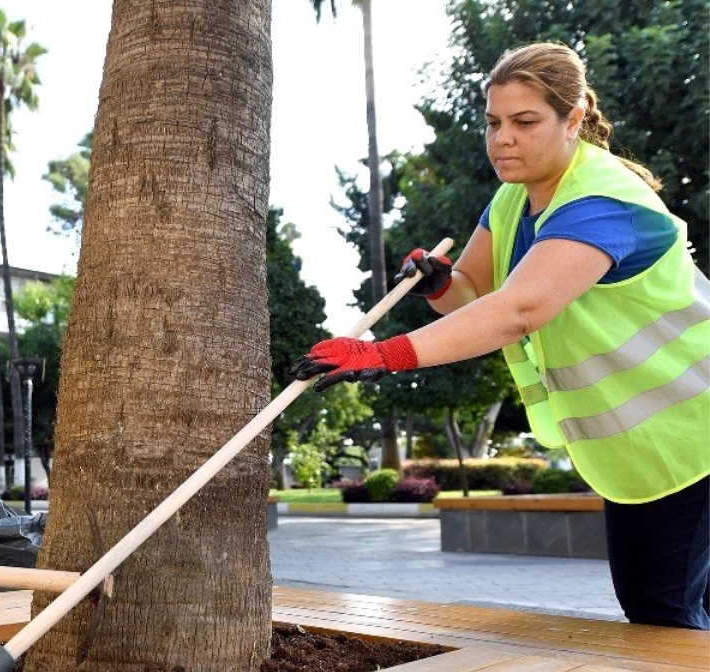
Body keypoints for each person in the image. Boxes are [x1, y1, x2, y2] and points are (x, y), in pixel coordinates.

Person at [292, 42, 710, 630]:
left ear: (574, 119)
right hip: (657, 443)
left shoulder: (603, 201)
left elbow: (520, 309)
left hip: (694, 430)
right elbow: (475, 296)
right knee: (670, 605)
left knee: (662, 609)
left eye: (524, 121)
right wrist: (439, 285)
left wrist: (385, 354)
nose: (502, 139)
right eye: (492, 123)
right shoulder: (513, 199)